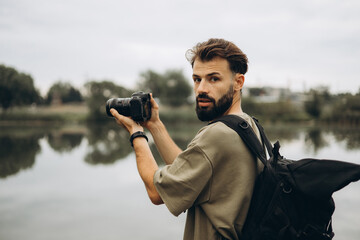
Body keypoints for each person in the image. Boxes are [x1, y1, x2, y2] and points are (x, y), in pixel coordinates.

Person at [110, 38, 263, 240]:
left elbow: (156, 193)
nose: (201, 89)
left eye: (214, 79)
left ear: (238, 82)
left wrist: (136, 134)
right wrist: (154, 125)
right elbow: (187, 171)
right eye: (197, 79)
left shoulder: (217, 134)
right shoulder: (249, 126)